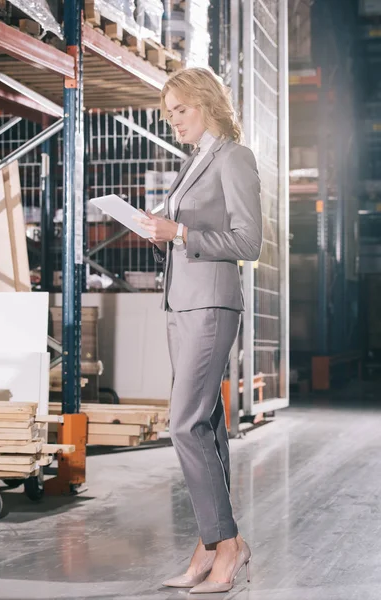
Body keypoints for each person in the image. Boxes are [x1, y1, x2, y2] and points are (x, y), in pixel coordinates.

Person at [135, 67, 262, 594]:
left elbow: (248, 241)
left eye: (180, 109)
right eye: (168, 113)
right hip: (181, 306)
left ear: (206, 103)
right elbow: (190, 235)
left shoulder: (233, 157)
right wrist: (162, 233)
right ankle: (210, 545)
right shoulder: (193, 163)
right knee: (205, 426)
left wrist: (182, 230)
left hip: (210, 306)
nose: (173, 120)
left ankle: (226, 543)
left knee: (184, 424)